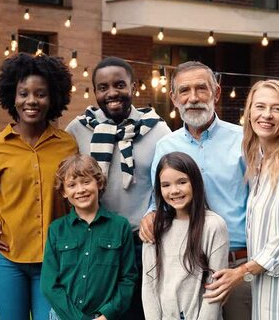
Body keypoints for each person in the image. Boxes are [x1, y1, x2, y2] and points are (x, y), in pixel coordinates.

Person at [140, 61, 250, 319]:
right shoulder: (165, 146)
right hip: (182, 268)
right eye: (184, 91)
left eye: (201, 89)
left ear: (216, 93)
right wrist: (149, 215)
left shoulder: (244, 140)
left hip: (234, 268)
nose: (193, 98)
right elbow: (159, 200)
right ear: (174, 98)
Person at [65, 56, 171, 319]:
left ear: (133, 87)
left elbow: (169, 184)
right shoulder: (77, 130)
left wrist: (155, 212)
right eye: (103, 87)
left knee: (138, 311)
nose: (112, 93)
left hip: (141, 240)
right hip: (94, 239)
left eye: (119, 85)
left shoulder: (158, 131)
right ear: (95, 92)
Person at [0, 53, 78, 319]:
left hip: (55, 261)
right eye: (23, 93)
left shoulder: (67, 146)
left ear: (53, 98)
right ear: (13, 96)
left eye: (41, 94)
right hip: (7, 259)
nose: (31, 101)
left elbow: (77, 198)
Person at [206, 80, 279, 319]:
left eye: (277, 109)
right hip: (264, 296)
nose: (267, 115)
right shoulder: (260, 163)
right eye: (260, 106)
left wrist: (240, 272)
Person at [41, 154, 138, 320]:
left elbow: (128, 278)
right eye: (72, 185)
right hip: (64, 316)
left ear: (99, 183)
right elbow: (49, 284)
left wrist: (107, 314)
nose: (80, 190)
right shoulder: (56, 230)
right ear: (64, 192)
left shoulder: (120, 227)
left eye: (86, 182)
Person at [142, 151, 229, 320]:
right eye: (165, 185)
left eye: (182, 182)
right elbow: (149, 285)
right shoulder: (155, 227)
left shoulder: (214, 226)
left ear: (195, 183)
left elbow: (215, 290)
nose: (174, 190)